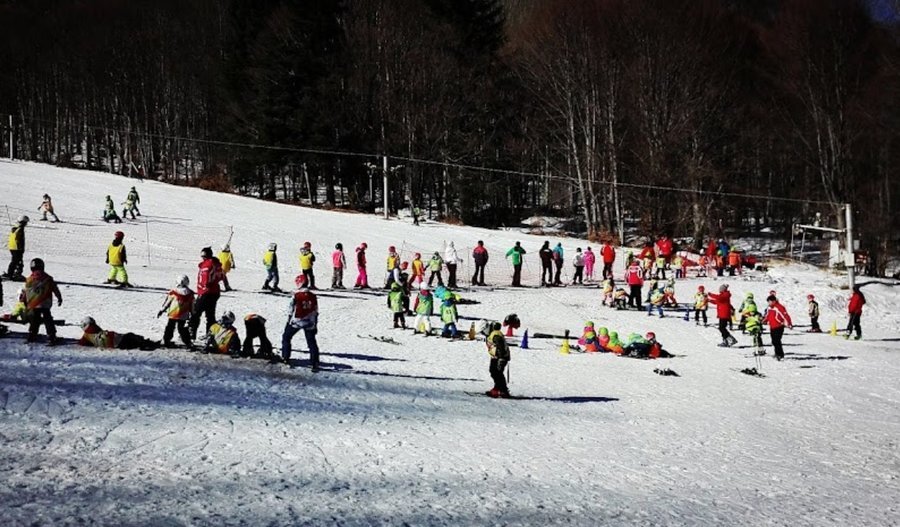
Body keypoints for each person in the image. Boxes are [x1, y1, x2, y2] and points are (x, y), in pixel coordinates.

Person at [281, 274, 320, 369]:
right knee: (311, 341)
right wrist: (315, 324)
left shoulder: (296, 296)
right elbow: (315, 310)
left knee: (286, 337)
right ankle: (314, 362)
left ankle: (285, 357)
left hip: (297, 321)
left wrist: (288, 321)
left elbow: (290, 309)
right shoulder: (313, 296)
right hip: (310, 321)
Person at [23, 258, 62, 345]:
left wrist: (24, 301)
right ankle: (51, 335)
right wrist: (59, 297)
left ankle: (32, 335)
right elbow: (55, 289)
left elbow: (26, 292)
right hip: (45, 302)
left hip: (34, 303)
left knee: (35, 319)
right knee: (47, 319)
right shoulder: (48, 278)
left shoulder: (29, 279)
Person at [189, 247, 224, 339]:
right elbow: (221, 276)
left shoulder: (207, 264)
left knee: (196, 312)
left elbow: (205, 278)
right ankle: (210, 334)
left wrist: (204, 286)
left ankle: (191, 333)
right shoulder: (216, 263)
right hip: (214, 292)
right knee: (210, 315)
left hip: (206, 292)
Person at [78, 316, 159, 350]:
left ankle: (144, 343)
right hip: (115, 339)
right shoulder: (94, 329)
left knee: (130, 339)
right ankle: (147, 343)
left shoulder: (86, 336)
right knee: (130, 336)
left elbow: (81, 343)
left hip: (114, 343)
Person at [158, 274, 195, 349]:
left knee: (170, 327)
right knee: (182, 329)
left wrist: (162, 310)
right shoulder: (190, 293)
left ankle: (167, 341)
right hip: (183, 315)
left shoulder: (173, 292)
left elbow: (167, 302)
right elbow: (192, 305)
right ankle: (188, 342)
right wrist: (193, 313)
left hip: (173, 314)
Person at [763, 295, 793, 360]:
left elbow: (785, 315)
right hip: (772, 326)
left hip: (779, 326)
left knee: (777, 340)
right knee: (774, 341)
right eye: (768, 302)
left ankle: (780, 354)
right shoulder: (769, 308)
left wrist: (789, 323)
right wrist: (764, 320)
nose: (769, 303)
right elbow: (768, 315)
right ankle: (777, 353)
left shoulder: (779, 307)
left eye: (770, 301)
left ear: (774, 301)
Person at [485, 322, 511, 398]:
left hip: (500, 357)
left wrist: (501, 358)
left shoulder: (495, 334)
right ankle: (497, 388)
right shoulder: (493, 334)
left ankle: (503, 390)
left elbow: (500, 346)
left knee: (497, 373)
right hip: (495, 356)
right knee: (494, 372)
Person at [4, 215, 28, 280]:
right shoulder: (20, 229)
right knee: (18, 262)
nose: (26, 224)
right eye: (26, 222)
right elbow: (18, 239)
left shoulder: (15, 228)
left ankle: (11, 273)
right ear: (23, 222)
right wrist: (21, 248)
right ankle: (15, 274)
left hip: (12, 247)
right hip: (17, 248)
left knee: (14, 261)